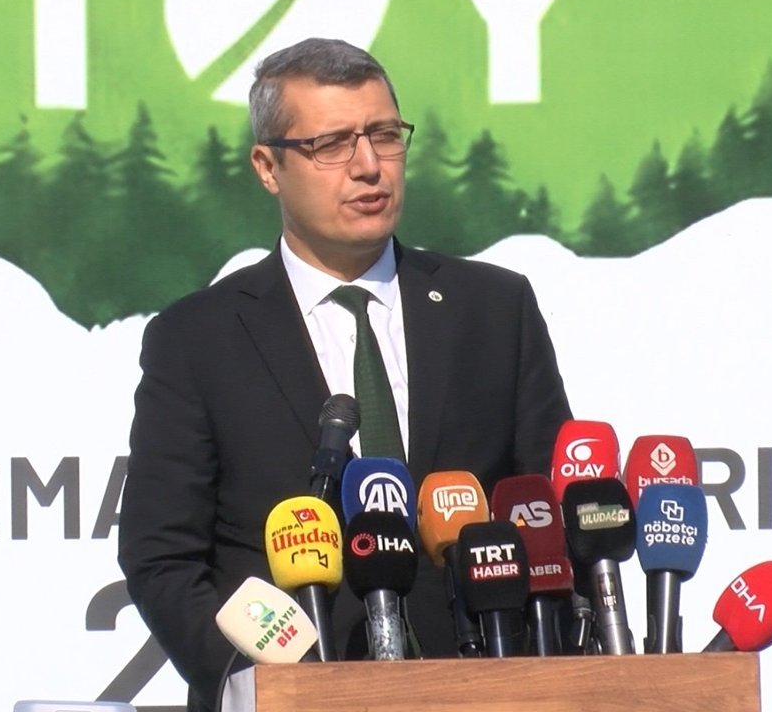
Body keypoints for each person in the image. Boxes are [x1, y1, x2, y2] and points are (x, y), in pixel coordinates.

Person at [118, 38, 570, 711]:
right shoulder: (198, 339)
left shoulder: (494, 309)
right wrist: (263, 687)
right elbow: (162, 558)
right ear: (268, 167)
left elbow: (549, 521)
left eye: (384, 135)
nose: (369, 166)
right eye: (331, 144)